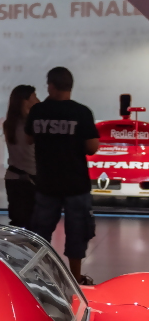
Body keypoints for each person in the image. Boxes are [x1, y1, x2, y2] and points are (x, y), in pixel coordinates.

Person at [27, 66, 100, 284]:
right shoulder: (81, 112)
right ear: (70, 86)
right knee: (77, 233)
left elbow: (29, 138)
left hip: (46, 182)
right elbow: (92, 147)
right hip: (76, 184)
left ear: (50, 85)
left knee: (40, 233)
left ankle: (40, 277)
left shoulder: (38, 111)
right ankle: (75, 279)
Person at [2, 84, 39, 227]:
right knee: (33, 224)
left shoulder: (9, 124)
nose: (38, 100)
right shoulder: (33, 124)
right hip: (30, 180)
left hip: (13, 178)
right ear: (25, 101)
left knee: (17, 222)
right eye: (34, 97)